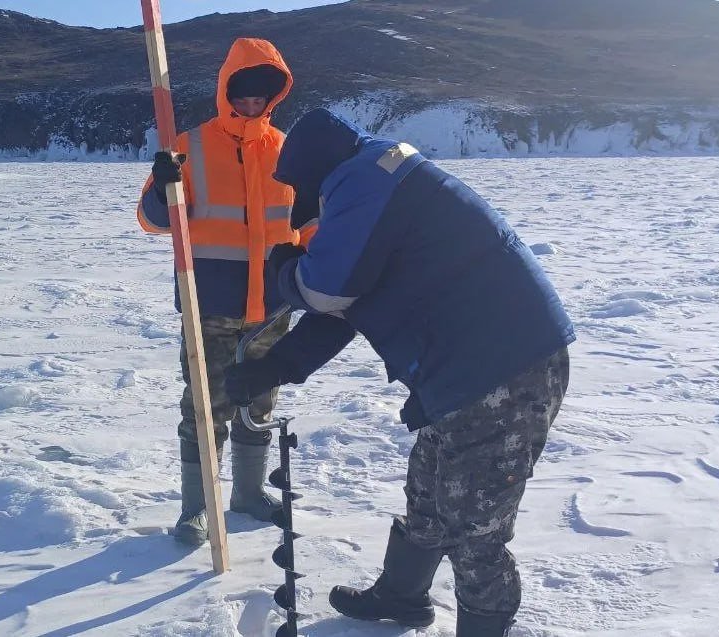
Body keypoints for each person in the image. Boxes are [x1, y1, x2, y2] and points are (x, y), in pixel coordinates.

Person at [224, 108, 575, 636]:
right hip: (464, 368)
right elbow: (346, 303)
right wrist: (278, 365)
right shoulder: (377, 178)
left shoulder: (365, 182)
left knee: (474, 524)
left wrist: (285, 274)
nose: (301, 205)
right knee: (430, 487)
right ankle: (403, 596)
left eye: (300, 188)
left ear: (317, 172)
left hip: (505, 367)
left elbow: (325, 290)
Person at [137, 38, 314, 547]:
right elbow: (152, 221)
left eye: (262, 96)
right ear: (226, 92)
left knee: (259, 400)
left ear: (275, 97)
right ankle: (198, 506)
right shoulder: (188, 147)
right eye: (243, 95)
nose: (252, 104)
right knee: (205, 404)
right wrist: (162, 186)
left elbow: (308, 226)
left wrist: (315, 277)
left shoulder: (287, 150)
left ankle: (248, 495)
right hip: (209, 303)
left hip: (272, 307)